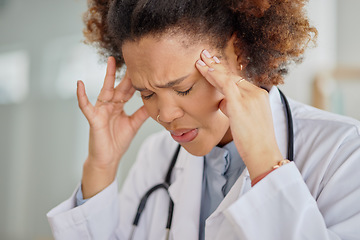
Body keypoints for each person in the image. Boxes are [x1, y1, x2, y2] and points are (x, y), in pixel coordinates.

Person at [47, 0, 360, 239]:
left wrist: (266, 166)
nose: (165, 116)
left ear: (238, 50)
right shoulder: (157, 157)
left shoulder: (344, 153)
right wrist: (100, 167)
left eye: (183, 88)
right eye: (147, 93)